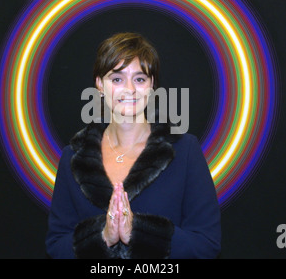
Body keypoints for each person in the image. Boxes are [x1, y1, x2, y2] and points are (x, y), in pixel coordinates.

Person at [45, 32, 221, 259]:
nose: (129, 89)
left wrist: (139, 232)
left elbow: (206, 244)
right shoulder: (73, 156)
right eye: (117, 79)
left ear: (152, 85)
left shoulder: (184, 150)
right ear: (99, 84)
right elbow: (56, 245)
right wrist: (103, 236)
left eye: (139, 79)